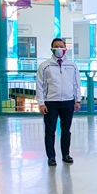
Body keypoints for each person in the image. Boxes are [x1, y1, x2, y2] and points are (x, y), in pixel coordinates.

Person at [35, 38, 81, 166]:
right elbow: (39, 85)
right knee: (50, 131)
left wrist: (78, 100)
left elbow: (77, 83)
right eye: (56, 46)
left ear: (65, 48)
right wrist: (41, 103)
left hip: (68, 102)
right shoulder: (45, 66)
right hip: (51, 102)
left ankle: (66, 154)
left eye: (61, 46)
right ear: (52, 49)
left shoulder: (72, 65)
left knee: (66, 130)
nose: (59, 49)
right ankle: (51, 157)